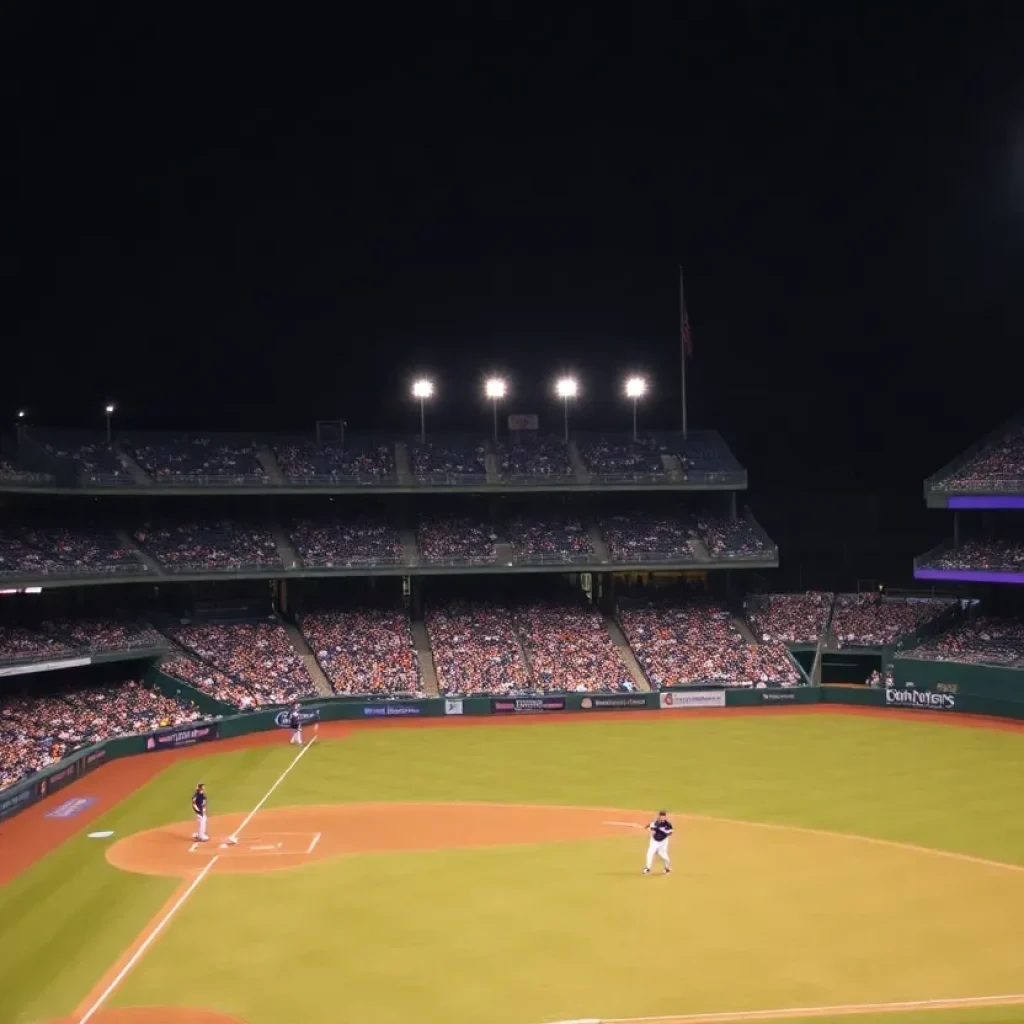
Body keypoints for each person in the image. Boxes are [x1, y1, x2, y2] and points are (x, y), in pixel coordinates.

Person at [643, 809, 672, 875]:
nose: (662, 817)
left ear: (665, 817)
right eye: (661, 816)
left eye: (663, 816)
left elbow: (670, 832)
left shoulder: (668, 825)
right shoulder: (655, 823)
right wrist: (650, 829)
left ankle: (666, 868)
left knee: (663, 856)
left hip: (663, 842)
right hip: (654, 842)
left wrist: (662, 832)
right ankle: (648, 868)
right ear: (659, 816)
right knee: (649, 854)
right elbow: (649, 826)